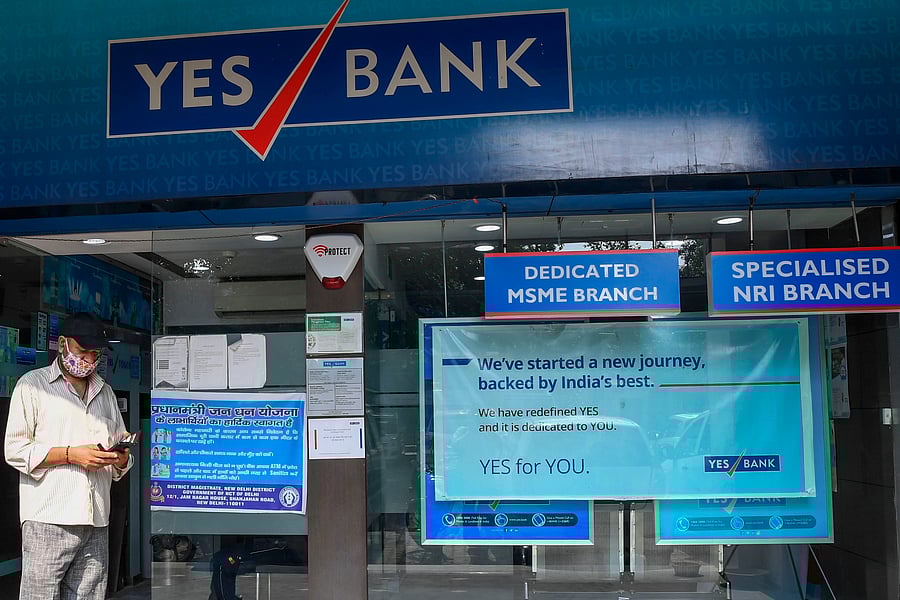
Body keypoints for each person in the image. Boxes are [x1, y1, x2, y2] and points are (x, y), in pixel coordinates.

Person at [4, 312, 134, 600]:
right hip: (49, 519)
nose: (88, 358)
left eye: (94, 353)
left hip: (97, 519)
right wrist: (71, 455)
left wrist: (121, 459)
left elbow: (121, 446)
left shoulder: (106, 393)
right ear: (62, 344)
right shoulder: (32, 386)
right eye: (81, 350)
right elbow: (14, 450)